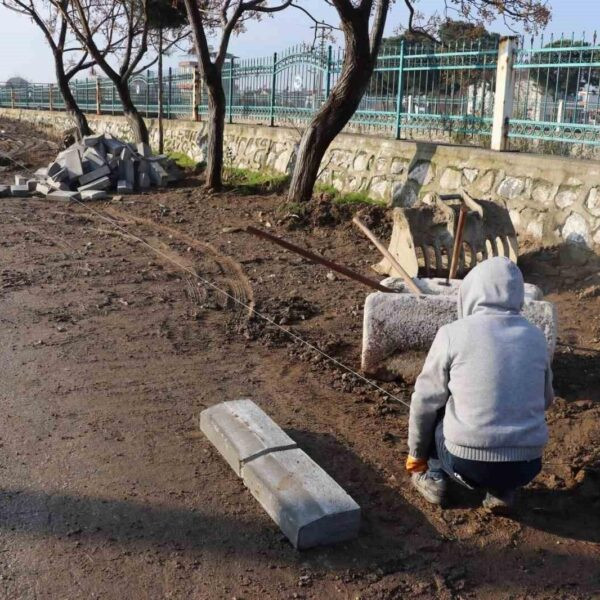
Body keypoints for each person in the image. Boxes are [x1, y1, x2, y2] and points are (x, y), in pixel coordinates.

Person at [405, 257, 554, 513]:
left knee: (438, 404)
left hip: (466, 464)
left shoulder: (452, 333)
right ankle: (503, 491)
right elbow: (547, 399)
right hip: (527, 466)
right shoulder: (536, 337)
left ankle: (433, 475)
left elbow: (423, 402)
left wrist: (416, 456)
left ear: (471, 291)